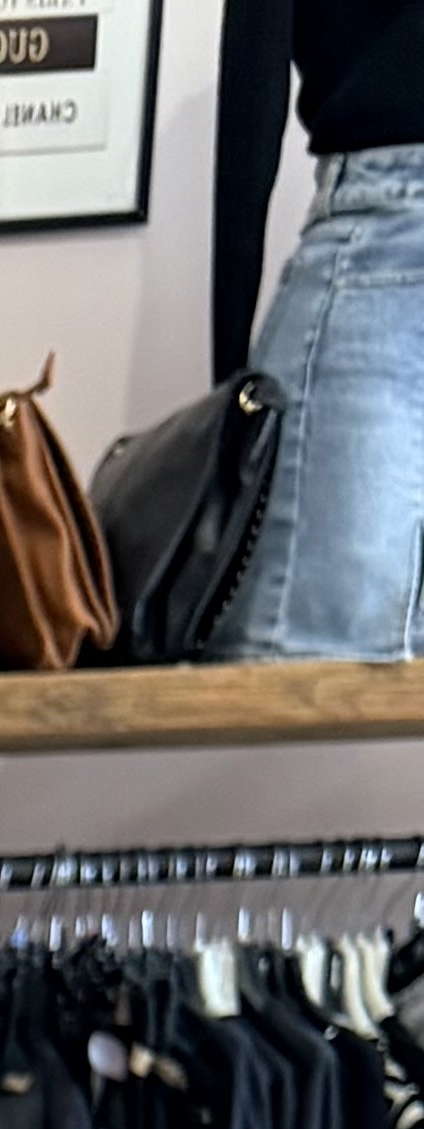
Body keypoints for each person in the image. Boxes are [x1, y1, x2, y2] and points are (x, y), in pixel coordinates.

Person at [211, 0, 424, 658]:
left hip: (385, 251)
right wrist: (229, 409)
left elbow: (252, 71)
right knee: (326, 665)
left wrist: (229, 399)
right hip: (388, 244)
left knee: (315, 659)